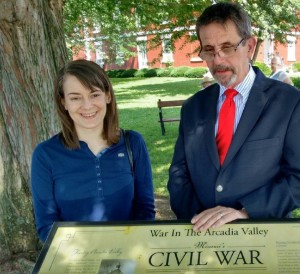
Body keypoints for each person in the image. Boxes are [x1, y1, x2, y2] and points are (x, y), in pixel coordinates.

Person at [168, 2, 300, 232]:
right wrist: (199, 221)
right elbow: (179, 173)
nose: (217, 60)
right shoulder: (193, 107)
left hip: (262, 235)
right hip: (201, 236)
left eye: (227, 47)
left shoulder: (289, 102)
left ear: (249, 46)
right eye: (209, 50)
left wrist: (245, 213)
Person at [31, 60, 155, 243]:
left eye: (94, 94)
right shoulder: (45, 154)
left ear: (107, 96)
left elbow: (145, 210)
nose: (87, 105)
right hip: (75, 263)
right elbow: (46, 225)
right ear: (63, 102)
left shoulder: (133, 143)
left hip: (127, 258)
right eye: (75, 98)